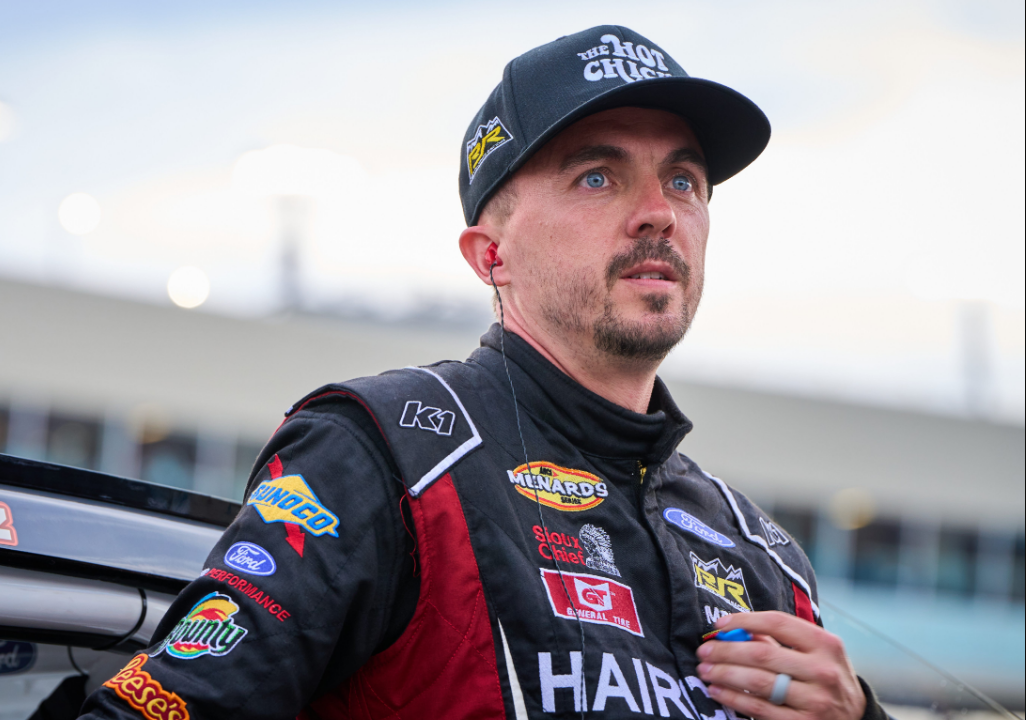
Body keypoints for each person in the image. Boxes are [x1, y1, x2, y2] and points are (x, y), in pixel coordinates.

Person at [79, 25, 888, 720]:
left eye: (683, 179)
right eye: (597, 177)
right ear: (490, 256)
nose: (660, 212)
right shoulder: (384, 452)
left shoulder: (764, 555)